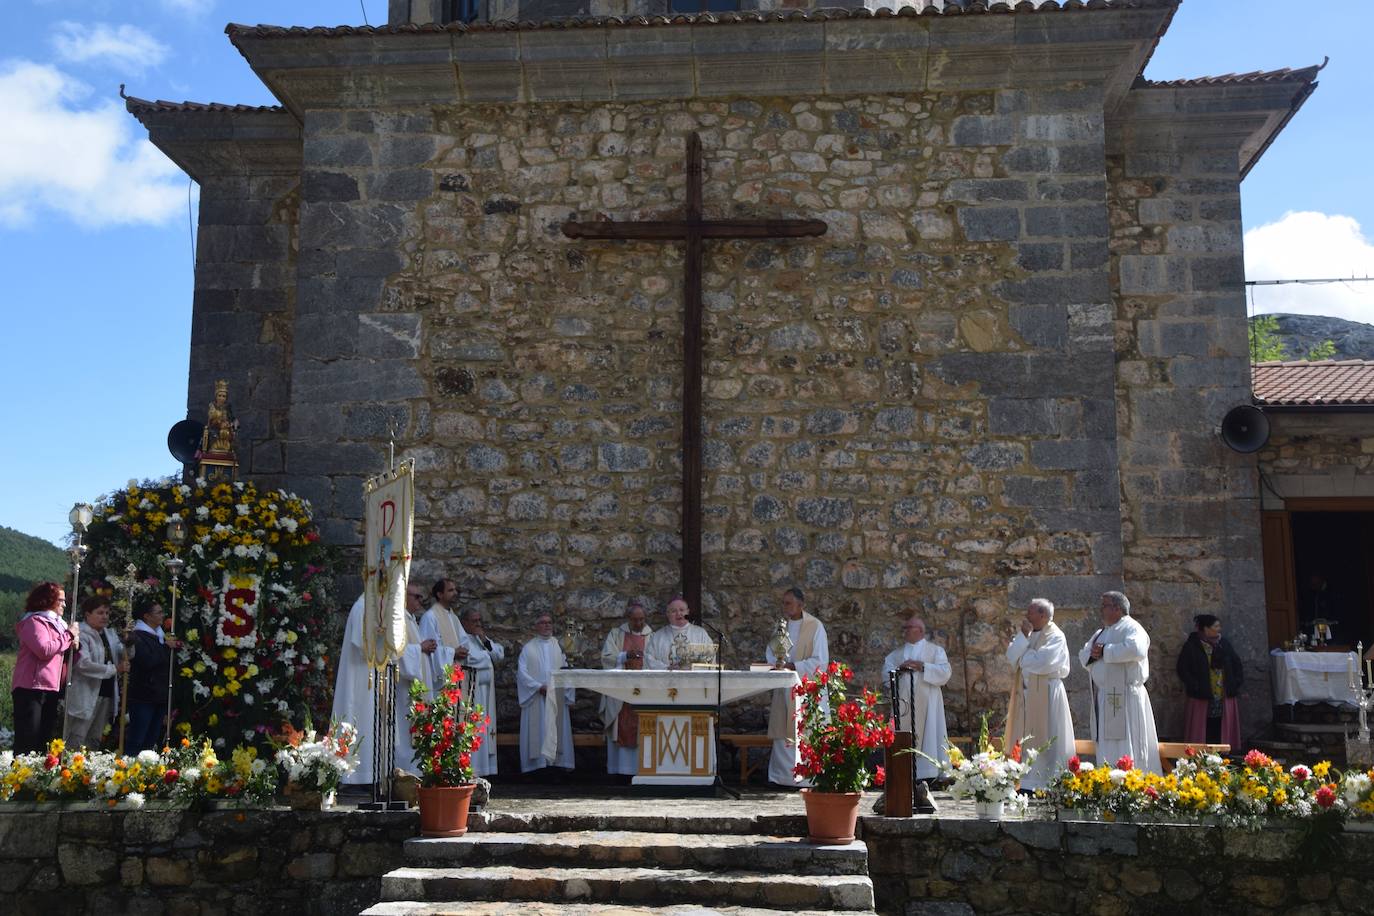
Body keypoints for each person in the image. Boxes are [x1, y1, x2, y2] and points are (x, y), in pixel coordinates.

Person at [1079, 590, 1160, 773]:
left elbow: (1136, 649)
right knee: (1108, 746)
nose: (1101, 610)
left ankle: (1132, 782)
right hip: (1106, 696)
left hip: (1126, 697)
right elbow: (1084, 655)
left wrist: (1105, 651)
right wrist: (1094, 654)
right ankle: (1109, 782)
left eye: (1104, 606)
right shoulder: (1101, 632)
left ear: (1117, 608)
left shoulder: (1132, 628)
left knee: (1129, 742)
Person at [1003, 598, 1074, 790]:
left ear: (1042, 615)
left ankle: (1049, 783)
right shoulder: (1027, 634)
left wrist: (1022, 657)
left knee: (1048, 738)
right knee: (1027, 740)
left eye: (1030, 612)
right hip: (1027, 695)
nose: (1026, 616)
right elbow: (1011, 657)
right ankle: (1027, 783)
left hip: (1048, 693)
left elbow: (1044, 662)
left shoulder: (1056, 636)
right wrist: (1023, 640)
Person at [765, 587, 829, 787]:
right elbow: (771, 651)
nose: (784, 607)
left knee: (806, 730)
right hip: (785, 686)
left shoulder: (815, 626)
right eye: (783, 603)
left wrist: (795, 666)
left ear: (801, 604)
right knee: (784, 729)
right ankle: (782, 776)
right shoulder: (780, 627)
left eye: (788, 603)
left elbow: (821, 661)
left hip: (807, 688)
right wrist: (777, 664)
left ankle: (809, 777)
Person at [11, 582, 79, 754]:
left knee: (44, 741)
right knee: (28, 740)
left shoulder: (60, 625)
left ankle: (37, 779)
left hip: (51, 687)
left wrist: (76, 646)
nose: (64, 604)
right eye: (60, 600)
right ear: (48, 600)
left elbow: (68, 658)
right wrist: (69, 635)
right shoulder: (34, 622)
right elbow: (44, 650)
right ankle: (20, 778)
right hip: (31, 687)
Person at [883, 615, 952, 782]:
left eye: (908, 628)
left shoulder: (936, 651)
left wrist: (923, 667)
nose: (904, 631)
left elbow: (945, 673)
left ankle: (928, 774)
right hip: (903, 704)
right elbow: (885, 676)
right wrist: (899, 669)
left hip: (928, 703)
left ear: (920, 631)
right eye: (904, 628)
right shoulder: (895, 655)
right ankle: (901, 772)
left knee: (928, 734)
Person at [397, 583, 455, 772]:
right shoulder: (400, 621)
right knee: (408, 730)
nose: (420, 601)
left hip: (418, 684)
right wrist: (420, 648)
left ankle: (417, 770)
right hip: (406, 688)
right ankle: (406, 771)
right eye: (416, 597)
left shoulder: (411, 619)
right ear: (404, 597)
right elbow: (397, 653)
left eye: (421, 597)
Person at [65, 596, 128, 751]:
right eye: (100, 613)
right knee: (78, 736)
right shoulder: (82, 634)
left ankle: (87, 771)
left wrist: (130, 643)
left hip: (106, 693)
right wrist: (113, 669)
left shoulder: (110, 635)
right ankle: (70, 769)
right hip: (85, 692)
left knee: (95, 738)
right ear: (88, 614)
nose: (105, 616)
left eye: (107, 613)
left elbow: (124, 654)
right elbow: (83, 664)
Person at [599, 601, 653, 777]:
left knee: (642, 725)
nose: (639, 623)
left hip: (644, 689)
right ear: (628, 618)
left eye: (642, 619)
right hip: (620, 691)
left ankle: (641, 770)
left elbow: (657, 660)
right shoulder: (616, 634)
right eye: (635, 619)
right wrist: (625, 656)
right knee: (620, 725)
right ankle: (620, 770)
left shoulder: (651, 636)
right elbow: (606, 658)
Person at [516, 612, 575, 774]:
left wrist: (564, 689)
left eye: (549, 622)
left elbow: (566, 670)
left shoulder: (559, 647)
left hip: (556, 697)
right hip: (536, 698)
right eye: (542, 623)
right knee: (539, 733)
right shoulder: (528, 648)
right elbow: (522, 674)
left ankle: (556, 769)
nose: (547, 625)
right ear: (536, 626)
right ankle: (538, 769)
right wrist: (538, 687)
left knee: (556, 732)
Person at [331, 593, 378, 787]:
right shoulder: (362, 608)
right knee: (359, 718)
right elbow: (363, 644)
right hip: (360, 677)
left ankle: (371, 776)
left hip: (371, 675)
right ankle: (357, 778)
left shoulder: (372, 608)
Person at [1176, 614, 1243, 748]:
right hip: (1202, 695)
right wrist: (1195, 686)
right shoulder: (1192, 645)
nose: (1219, 629)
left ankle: (1221, 756)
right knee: (1203, 727)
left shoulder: (1224, 644)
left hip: (1222, 695)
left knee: (1220, 725)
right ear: (1206, 629)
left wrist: (1235, 683)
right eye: (1216, 626)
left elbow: (1236, 664)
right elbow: (1183, 668)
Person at [125, 599, 179, 755]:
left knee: (151, 740)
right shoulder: (138, 636)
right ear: (147, 616)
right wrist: (165, 648)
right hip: (144, 695)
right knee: (137, 739)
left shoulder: (160, 636)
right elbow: (148, 660)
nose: (162, 615)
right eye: (158, 612)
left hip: (158, 695)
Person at [461, 606, 505, 777]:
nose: (478, 624)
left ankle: (485, 769)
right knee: (476, 728)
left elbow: (498, 655)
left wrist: (485, 640)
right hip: (473, 692)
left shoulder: (481, 640)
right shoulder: (463, 639)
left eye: (480, 621)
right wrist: (486, 657)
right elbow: (472, 659)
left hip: (487, 695)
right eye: (474, 621)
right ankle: (474, 768)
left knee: (485, 729)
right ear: (465, 622)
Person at [644, 597, 712, 671]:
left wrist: (692, 668)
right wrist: (667, 668)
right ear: (668, 614)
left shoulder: (700, 634)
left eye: (682, 610)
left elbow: (710, 657)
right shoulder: (657, 637)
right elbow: (649, 659)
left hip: (694, 680)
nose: (679, 613)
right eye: (673, 611)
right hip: (667, 680)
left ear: (687, 612)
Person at [427, 578, 472, 669]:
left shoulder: (453, 617)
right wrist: (453, 653)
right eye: (451, 590)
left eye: (456, 590)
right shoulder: (430, 616)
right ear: (440, 594)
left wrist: (463, 650)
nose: (455, 593)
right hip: (440, 674)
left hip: (456, 669)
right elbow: (430, 648)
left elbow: (463, 640)